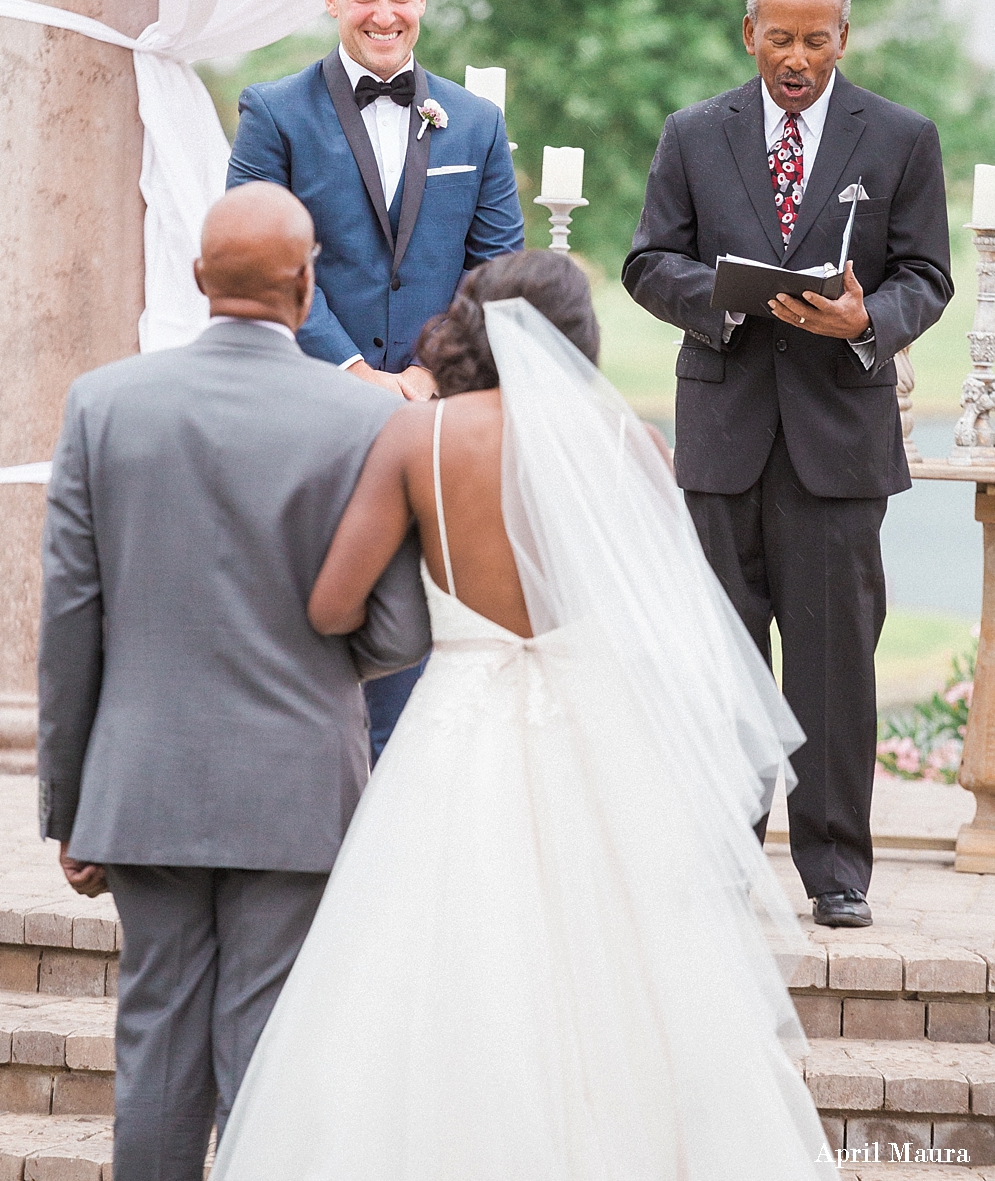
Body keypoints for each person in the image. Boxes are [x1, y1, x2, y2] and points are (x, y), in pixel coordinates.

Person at [214, 249, 830, 1181]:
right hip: (601, 736)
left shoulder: (419, 438)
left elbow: (333, 607)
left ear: (468, 325)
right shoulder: (627, 442)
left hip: (457, 727)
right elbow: (670, 615)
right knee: (629, 980)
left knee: (434, 965)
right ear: (573, 334)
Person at [36, 182, 431, 1181]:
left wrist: (68, 804)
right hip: (298, 784)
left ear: (200, 278)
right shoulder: (363, 421)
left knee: (157, 1038)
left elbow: (71, 621)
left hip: (145, 783)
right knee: (269, 1042)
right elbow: (393, 626)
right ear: (305, 287)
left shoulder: (103, 402)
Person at [622, 0, 953, 929]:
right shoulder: (692, 133)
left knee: (834, 663)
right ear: (747, 33)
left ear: (841, 38)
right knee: (718, 656)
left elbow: (924, 277)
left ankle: (834, 870)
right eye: (779, 37)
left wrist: (863, 322)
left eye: (814, 38)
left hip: (837, 449)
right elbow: (647, 262)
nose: (795, 56)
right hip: (722, 441)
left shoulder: (899, 137)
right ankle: (721, 853)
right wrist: (724, 300)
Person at [227, 0, 525, 761]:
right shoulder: (272, 113)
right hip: (311, 412)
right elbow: (259, 255)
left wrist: (432, 369)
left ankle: (400, 791)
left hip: (436, 422)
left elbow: (493, 265)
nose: (383, 12)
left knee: (420, 618)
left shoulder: (475, 122)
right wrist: (353, 368)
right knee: (310, 606)